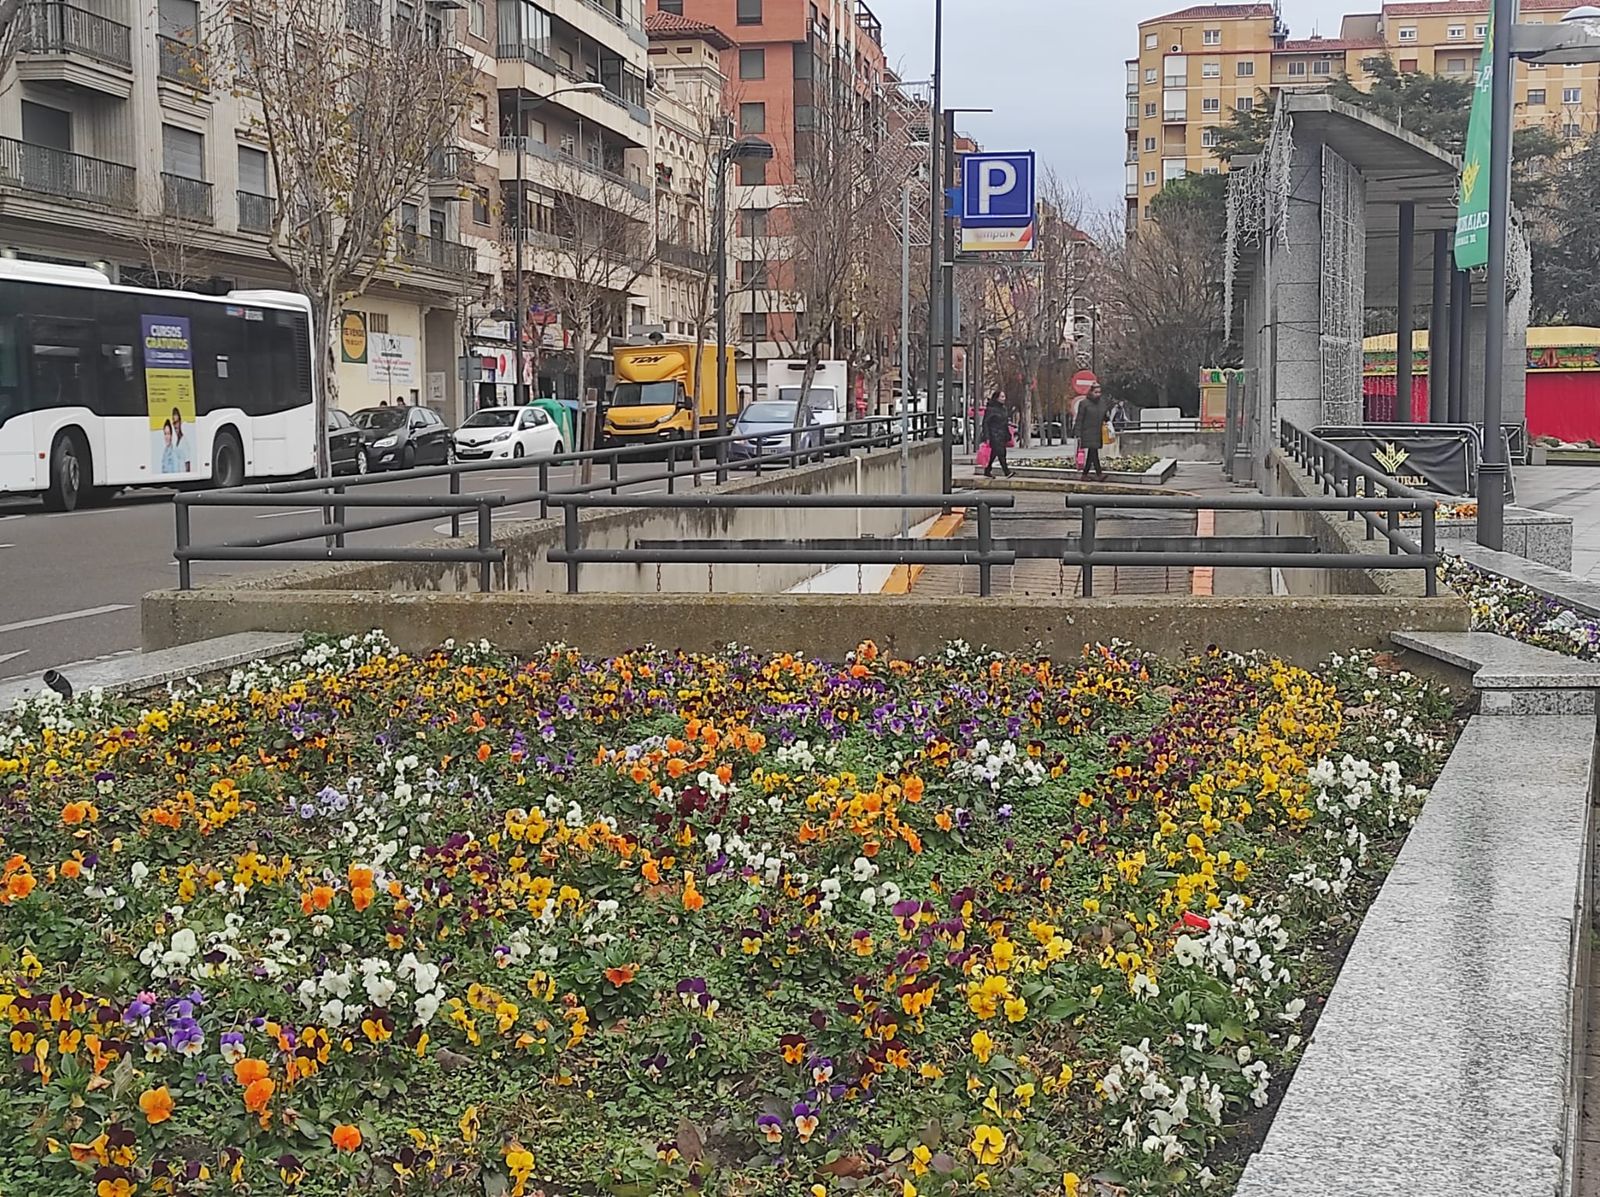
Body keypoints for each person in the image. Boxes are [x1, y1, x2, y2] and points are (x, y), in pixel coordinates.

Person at [1074, 383, 1111, 481]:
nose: (1098, 394)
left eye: (1099, 392)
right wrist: (1077, 433)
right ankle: (1099, 474)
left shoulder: (1102, 403)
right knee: (1093, 452)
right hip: (1087, 432)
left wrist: (1107, 416)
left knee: (1092, 453)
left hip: (1098, 432)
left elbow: (1105, 417)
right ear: (1091, 392)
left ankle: (1085, 474)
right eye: (1096, 392)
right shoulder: (1084, 403)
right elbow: (1079, 419)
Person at [981, 392, 1012, 479]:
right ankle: (1006, 472)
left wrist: (1008, 434)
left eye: (1004, 396)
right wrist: (987, 436)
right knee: (1001, 453)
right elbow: (986, 423)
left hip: (1002, 434)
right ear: (997, 398)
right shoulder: (991, 409)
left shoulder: (1004, 409)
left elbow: (1005, 423)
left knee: (994, 453)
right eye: (1002, 396)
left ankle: (987, 470)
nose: (1004, 398)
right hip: (993, 434)